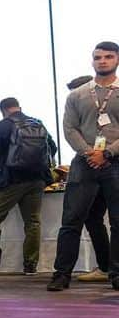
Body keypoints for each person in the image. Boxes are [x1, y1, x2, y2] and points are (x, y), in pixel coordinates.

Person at [49, 41, 119, 291]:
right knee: (71, 219)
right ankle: (61, 273)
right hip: (84, 161)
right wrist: (89, 152)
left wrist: (108, 152)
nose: (103, 61)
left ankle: (116, 273)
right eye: (98, 57)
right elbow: (69, 129)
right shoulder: (77, 95)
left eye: (108, 57)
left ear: (117, 60)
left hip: (116, 161)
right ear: (92, 61)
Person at [0, 98, 56, 277]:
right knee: (33, 222)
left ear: (3, 110)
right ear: (19, 107)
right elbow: (52, 148)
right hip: (37, 180)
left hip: (10, 180)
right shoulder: (38, 124)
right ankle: (30, 266)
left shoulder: (1, 126)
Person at [66, 76, 111, 283]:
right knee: (93, 219)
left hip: (103, 161)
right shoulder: (81, 101)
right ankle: (106, 266)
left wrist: (97, 155)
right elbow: (71, 131)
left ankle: (108, 266)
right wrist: (92, 154)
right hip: (93, 160)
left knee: (80, 219)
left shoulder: (100, 98)